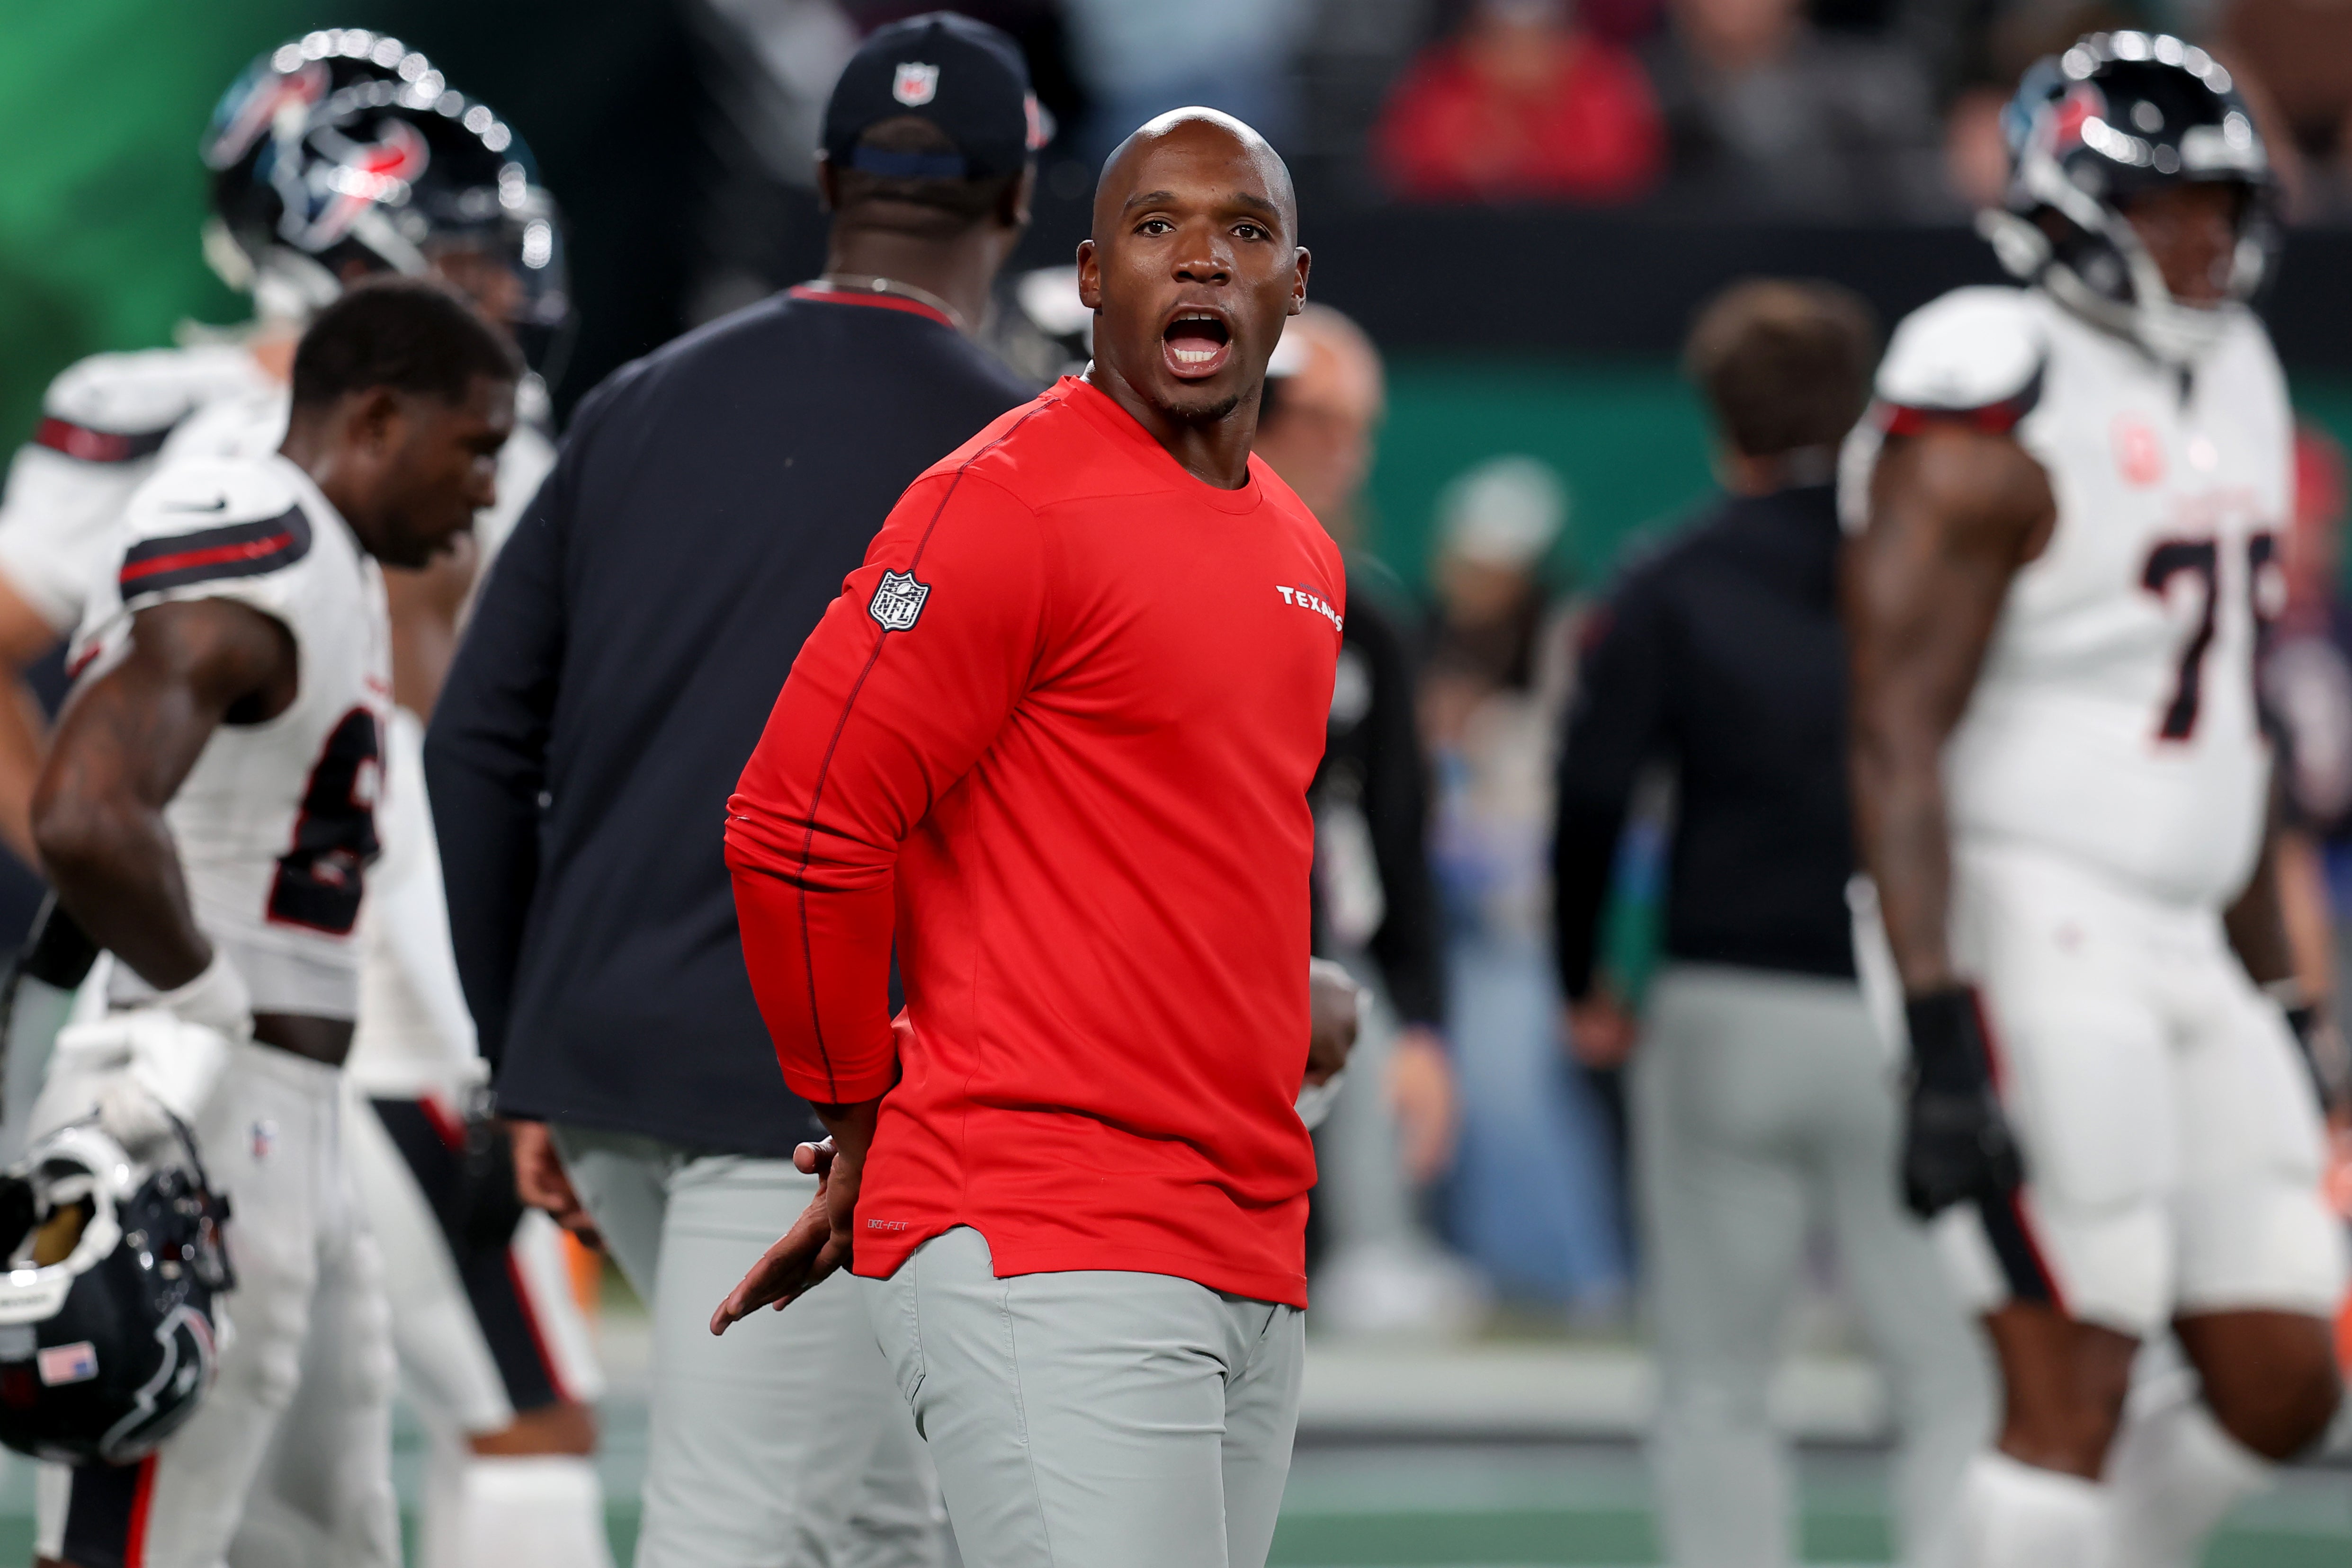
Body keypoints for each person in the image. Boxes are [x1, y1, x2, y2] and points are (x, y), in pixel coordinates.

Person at [423, 15, 1043, 1567]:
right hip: (814, 1099)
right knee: (756, 1533)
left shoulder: (637, 403)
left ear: (826, 179)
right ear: (1019, 204)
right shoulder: (1025, 456)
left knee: (882, 1521)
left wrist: (520, 1049)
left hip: (609, 1051)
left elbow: (477, 744)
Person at [0, 33, 609, 1562]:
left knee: (315, 1517)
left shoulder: (341, 485)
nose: (500, 302)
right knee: (161, 1504)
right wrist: (161, 945)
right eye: (459, 261)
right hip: (255, 1046)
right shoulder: (227, 478)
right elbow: (99, 789)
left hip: (321, 1026)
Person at [715, 107, 1334, 1568]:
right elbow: (798, 826)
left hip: (1241, 1232)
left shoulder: (1299, 549)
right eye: (1154, 227)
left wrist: (1290, 993)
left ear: (1293, 284)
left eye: (1241, 231)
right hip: (1046, 1219)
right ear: (1085, 275)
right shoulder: (1001, 502)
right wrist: (854, 1105)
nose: (1199, 257)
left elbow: (1182, 848)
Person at [1842, 33, 2348, 1568]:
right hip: (2025, 910)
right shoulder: (1990, 380)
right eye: (2160, 209)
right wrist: (1936, 1027)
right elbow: (1889, 731)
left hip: (2181, 924)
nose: (2200, 241)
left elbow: (2233, 725)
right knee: (2069, 1370)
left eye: (2216, 205)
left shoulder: (2237, 370)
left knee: (2281, 1379)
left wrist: (2284, 990)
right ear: (2065, 207)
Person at [24, 277, 516, 1568]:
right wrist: (199, 1004)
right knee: (133, 1540)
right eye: (473, 448)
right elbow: (86, 815)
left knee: (323, 1537)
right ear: (374, 419)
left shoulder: (325, 555)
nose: (482, 490)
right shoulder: (252, 521)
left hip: (281, 1111)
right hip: (197, 1098)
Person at [1556, 279, 1988, 1568]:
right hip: (1907, 1002)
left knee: (1711, 1386)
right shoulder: (1936, 576)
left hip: (1723, 1002)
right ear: (1861, 415)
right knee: (1950, 1385)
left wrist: (1581, 973)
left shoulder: (1670, 579)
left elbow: (1587, 797)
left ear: (1716, 421)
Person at [1252, 303, 1470, 1333]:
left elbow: (1392, 829)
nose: (1335, 453)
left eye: (1343, 427)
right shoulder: (1130, 577)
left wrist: (1425, 1017)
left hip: (1309, 946)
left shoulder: (1365, 619)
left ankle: (1371, 1245)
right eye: (1307, 421)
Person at [1373, 0, 1663, 204]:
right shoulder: (1442, 79)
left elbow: (1619, 168)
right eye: (1503, 40)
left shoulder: (1600, 79)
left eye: (1540, 38)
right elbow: (1408, 162)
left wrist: (1526, 160)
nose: (1522, 57)